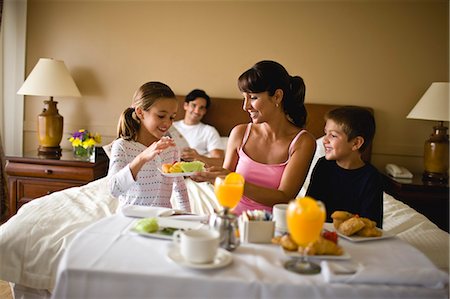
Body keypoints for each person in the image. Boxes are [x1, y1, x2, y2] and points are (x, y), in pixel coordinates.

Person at [193, 60, 316, 215]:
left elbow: (285, 197)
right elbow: (224, 187)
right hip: (233, 219)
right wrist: (210, 176)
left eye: (253, 97)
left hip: (273, 226)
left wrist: (236, 182)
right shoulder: (240, 133)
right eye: (244, 98)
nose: (246, 106)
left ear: (277, 96)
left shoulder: (303, 142)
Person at [107, 81, 190, 212]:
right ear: (140, 112)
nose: (167, 123)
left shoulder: (171, 147)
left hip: (162, 220)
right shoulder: (122, 146)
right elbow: (113, 190)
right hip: (130, 220)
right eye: (161, 116)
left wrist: (187, 218)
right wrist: (142, 158)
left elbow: (180, 188)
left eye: (172, 117)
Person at [306, 106, 383, 227]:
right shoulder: (323, 165)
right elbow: (309, 207)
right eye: (326, 133)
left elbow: (372, 224)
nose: (324, 140)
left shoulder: (371, 177)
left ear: (356, 143)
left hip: (355, 238)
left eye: (333, 135)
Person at [172, 89, 225, 167]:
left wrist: (198, 157)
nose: (197, 111)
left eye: (201, 108)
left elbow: (220, 162)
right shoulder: (171, 127)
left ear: (205, 111)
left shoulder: (209, 131)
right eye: (194, 105)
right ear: (185, 105)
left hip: (194, 171)